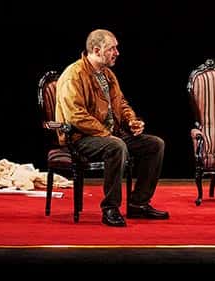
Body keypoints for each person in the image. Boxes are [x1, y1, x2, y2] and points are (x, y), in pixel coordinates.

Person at [55, 29, 169, 227]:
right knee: (116, 146)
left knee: (155, 144)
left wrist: (131, 121)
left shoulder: (107, 74)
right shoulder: (73, 75)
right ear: (97, 50)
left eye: (116, 48)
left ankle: (138, 204)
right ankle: (110, 208)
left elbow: (121, 103)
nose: (117, 52)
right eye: (112, 49)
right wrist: (107, 134)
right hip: (81, 138)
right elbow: (76, 116)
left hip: (109, 135)